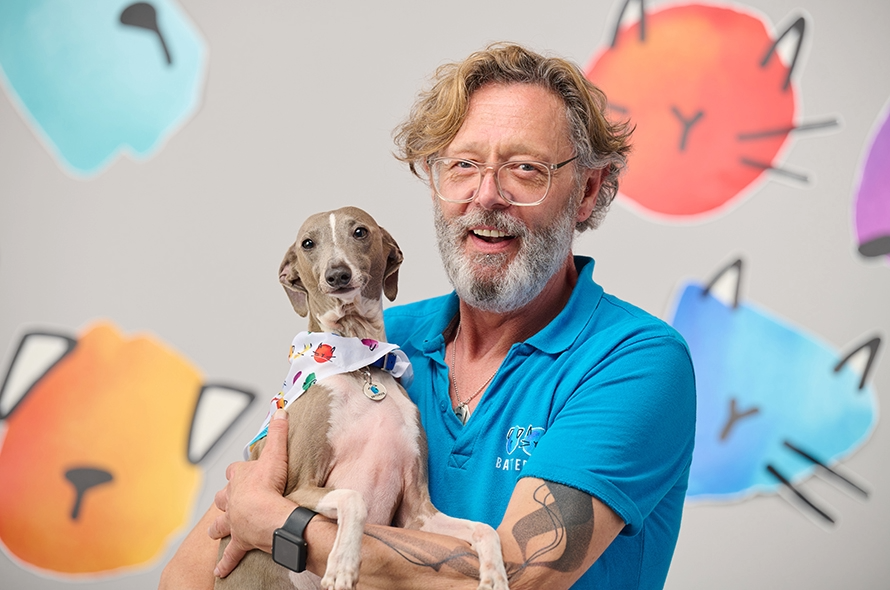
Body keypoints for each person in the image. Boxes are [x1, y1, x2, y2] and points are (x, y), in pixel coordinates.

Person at [160, 42, 695, 590]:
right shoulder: (373, 349)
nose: (487, 195)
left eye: (525, 168)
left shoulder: (635, 361)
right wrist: (263, 514)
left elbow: (518, 578)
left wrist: (283, 525)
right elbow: (187, 576)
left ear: (587, 190)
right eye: (463, 165)